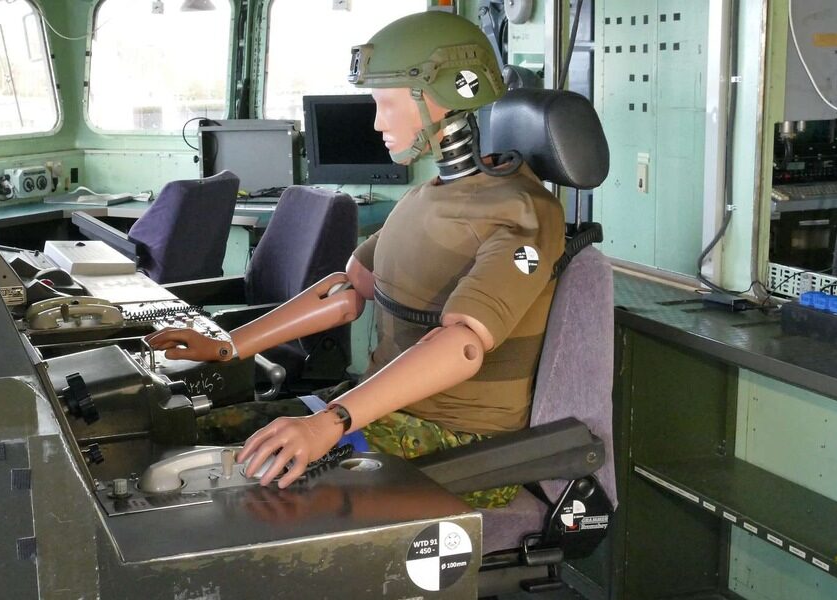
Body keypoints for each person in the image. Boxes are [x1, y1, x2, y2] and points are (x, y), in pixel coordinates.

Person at [146, 11, 565, 509]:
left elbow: (463, 347)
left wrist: (331, 422)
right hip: (379, 409)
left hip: (459, 444)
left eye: (386, 103)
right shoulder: (430, 195)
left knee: (213, 486)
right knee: (187, 438)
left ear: (444, 97)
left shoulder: (523, 213)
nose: (375, 122)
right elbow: (348, 292)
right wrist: (224, 347)